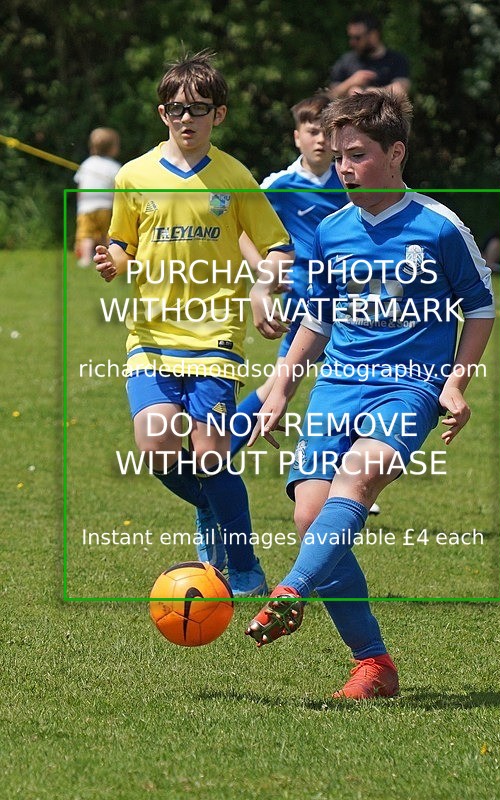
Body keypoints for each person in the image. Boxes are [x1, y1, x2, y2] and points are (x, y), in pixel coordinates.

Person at [245, 91, 495, 699]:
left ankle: (289, 594)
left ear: (396, 152)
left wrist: (456, 380)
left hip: (409, 386)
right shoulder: (331, 230)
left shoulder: (439, 226)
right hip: (337, 384)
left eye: (357, 155)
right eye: (338, 157)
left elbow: (481, 307)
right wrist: (281, 385)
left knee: (356, 483)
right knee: (310, 514)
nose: (345, 168)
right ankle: (375, 665)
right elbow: (318, 320)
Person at [93, 51, 294, 596]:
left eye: (199, 109)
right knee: (157, 449)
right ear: (163, 114)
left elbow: (277, 248)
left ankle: (244, 561)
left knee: (208, 455)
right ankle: (217, 514)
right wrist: (114, 257)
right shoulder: (134, 174)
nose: (187, 118)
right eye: (176, 109)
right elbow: (121, 239)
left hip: (215, 335)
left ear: (218, 115)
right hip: (152, 336)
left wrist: (261, 284)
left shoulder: (235, 176)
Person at [194, 94, 352, 567]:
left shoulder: (352, 181)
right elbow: (246, 229)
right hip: (306, 310)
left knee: (325, 387)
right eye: (311, 129)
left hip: (354, 310)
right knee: (281, 386)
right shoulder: (278, 185)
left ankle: (338, 481)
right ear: (297, 135)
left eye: (327, 130)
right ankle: (218, 467)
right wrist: (265, 281)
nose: (320, 138)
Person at [327, 12, 410, 99]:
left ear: (373, 35)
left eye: (357, 38)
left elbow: (401, 91)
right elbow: (331, 95)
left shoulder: (397, 60)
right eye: (350, 37)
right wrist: (351, 82)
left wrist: (369, 93)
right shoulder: (346, 61)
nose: (352, 42)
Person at [74, 128, 121, 267]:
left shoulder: (86, 164)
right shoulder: (114, 166)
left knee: (86, 234)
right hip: (106, 206)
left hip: (85, 206)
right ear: (112, 148)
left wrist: (79, 205)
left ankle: (85, 259)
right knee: (107, 234)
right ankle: (110, 257)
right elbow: (117, 189)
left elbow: (80, 186)